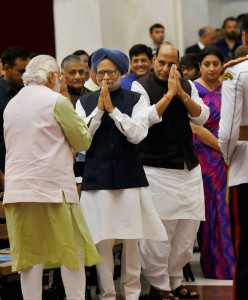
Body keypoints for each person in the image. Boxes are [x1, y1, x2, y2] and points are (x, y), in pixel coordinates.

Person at [3, 54, 101, 300]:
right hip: (53, 188)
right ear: (50, 77)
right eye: (59, 75)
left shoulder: (12, 103)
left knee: (29, 258)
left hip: (18, 190)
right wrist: (66, 101)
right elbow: (83, 141)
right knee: (73, 253)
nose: (60, 80)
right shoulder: (56, 100)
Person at [76, 47, 167, 300]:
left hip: (129, 178)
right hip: (98, 180)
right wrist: (99, 111)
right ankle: (106, 295)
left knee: (131, 242)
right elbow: (82, 141)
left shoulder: (136, 99)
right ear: (94, 74)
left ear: (121, 71)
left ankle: (132, 294)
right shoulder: (83, 103)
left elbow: (138, 134)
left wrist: (114, 111)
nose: (106, 77)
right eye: (101, 72)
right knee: (101, 242)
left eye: (111, 71)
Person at [131, 42, 210, 300]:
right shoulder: (139, 86)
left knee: (187, 233)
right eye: (161, 62)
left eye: (171, 63)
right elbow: (144, 119)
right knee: (159, 234)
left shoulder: (186, 85)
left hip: (188, 168)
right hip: (156, 169)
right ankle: (159, 285)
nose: (166, 68)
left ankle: (175, 281)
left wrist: (181, 94)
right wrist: (168, 95)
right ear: (154, 61)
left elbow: (201, 117)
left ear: (177, 63)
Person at [192, 46, 235, 279]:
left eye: (215, 64)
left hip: (232, 154)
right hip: (205, 155)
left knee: (228, 207)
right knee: (212, 206)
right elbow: (195, 127)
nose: (211, 68)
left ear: (222, 65)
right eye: (206, 64)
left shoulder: (228, 87)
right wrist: (221, 147)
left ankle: (233, 263)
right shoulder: (193, 89)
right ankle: (216, 266)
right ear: (200, 66)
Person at [218, 12, 248, 300]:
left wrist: (227, 157)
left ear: (244, 37)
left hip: (246, 167)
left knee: (246, 247)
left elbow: (227, 133)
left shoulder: (236, 72)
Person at [0, 45, 29, 183]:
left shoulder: (30, 92)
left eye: (28, 71)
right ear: (6, 68)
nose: (25, 76)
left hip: (28, 167)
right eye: (21, 71)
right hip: (4, 167)